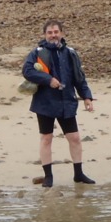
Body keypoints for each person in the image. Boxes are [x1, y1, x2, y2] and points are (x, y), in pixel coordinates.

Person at [22, 19, 95, 187]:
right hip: (45, 103)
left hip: (67, 102)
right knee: (46, 138)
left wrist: (87, 97)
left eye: (56, 32)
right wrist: (48, 80)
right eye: (50, 32)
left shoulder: (70, 53)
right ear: (44, 35)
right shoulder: (37, 53)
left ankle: (78, 174)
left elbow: (79, 77)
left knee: (75, 138)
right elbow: (27, 71)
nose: (53, 35)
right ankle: (48, 177)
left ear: (62, 33)